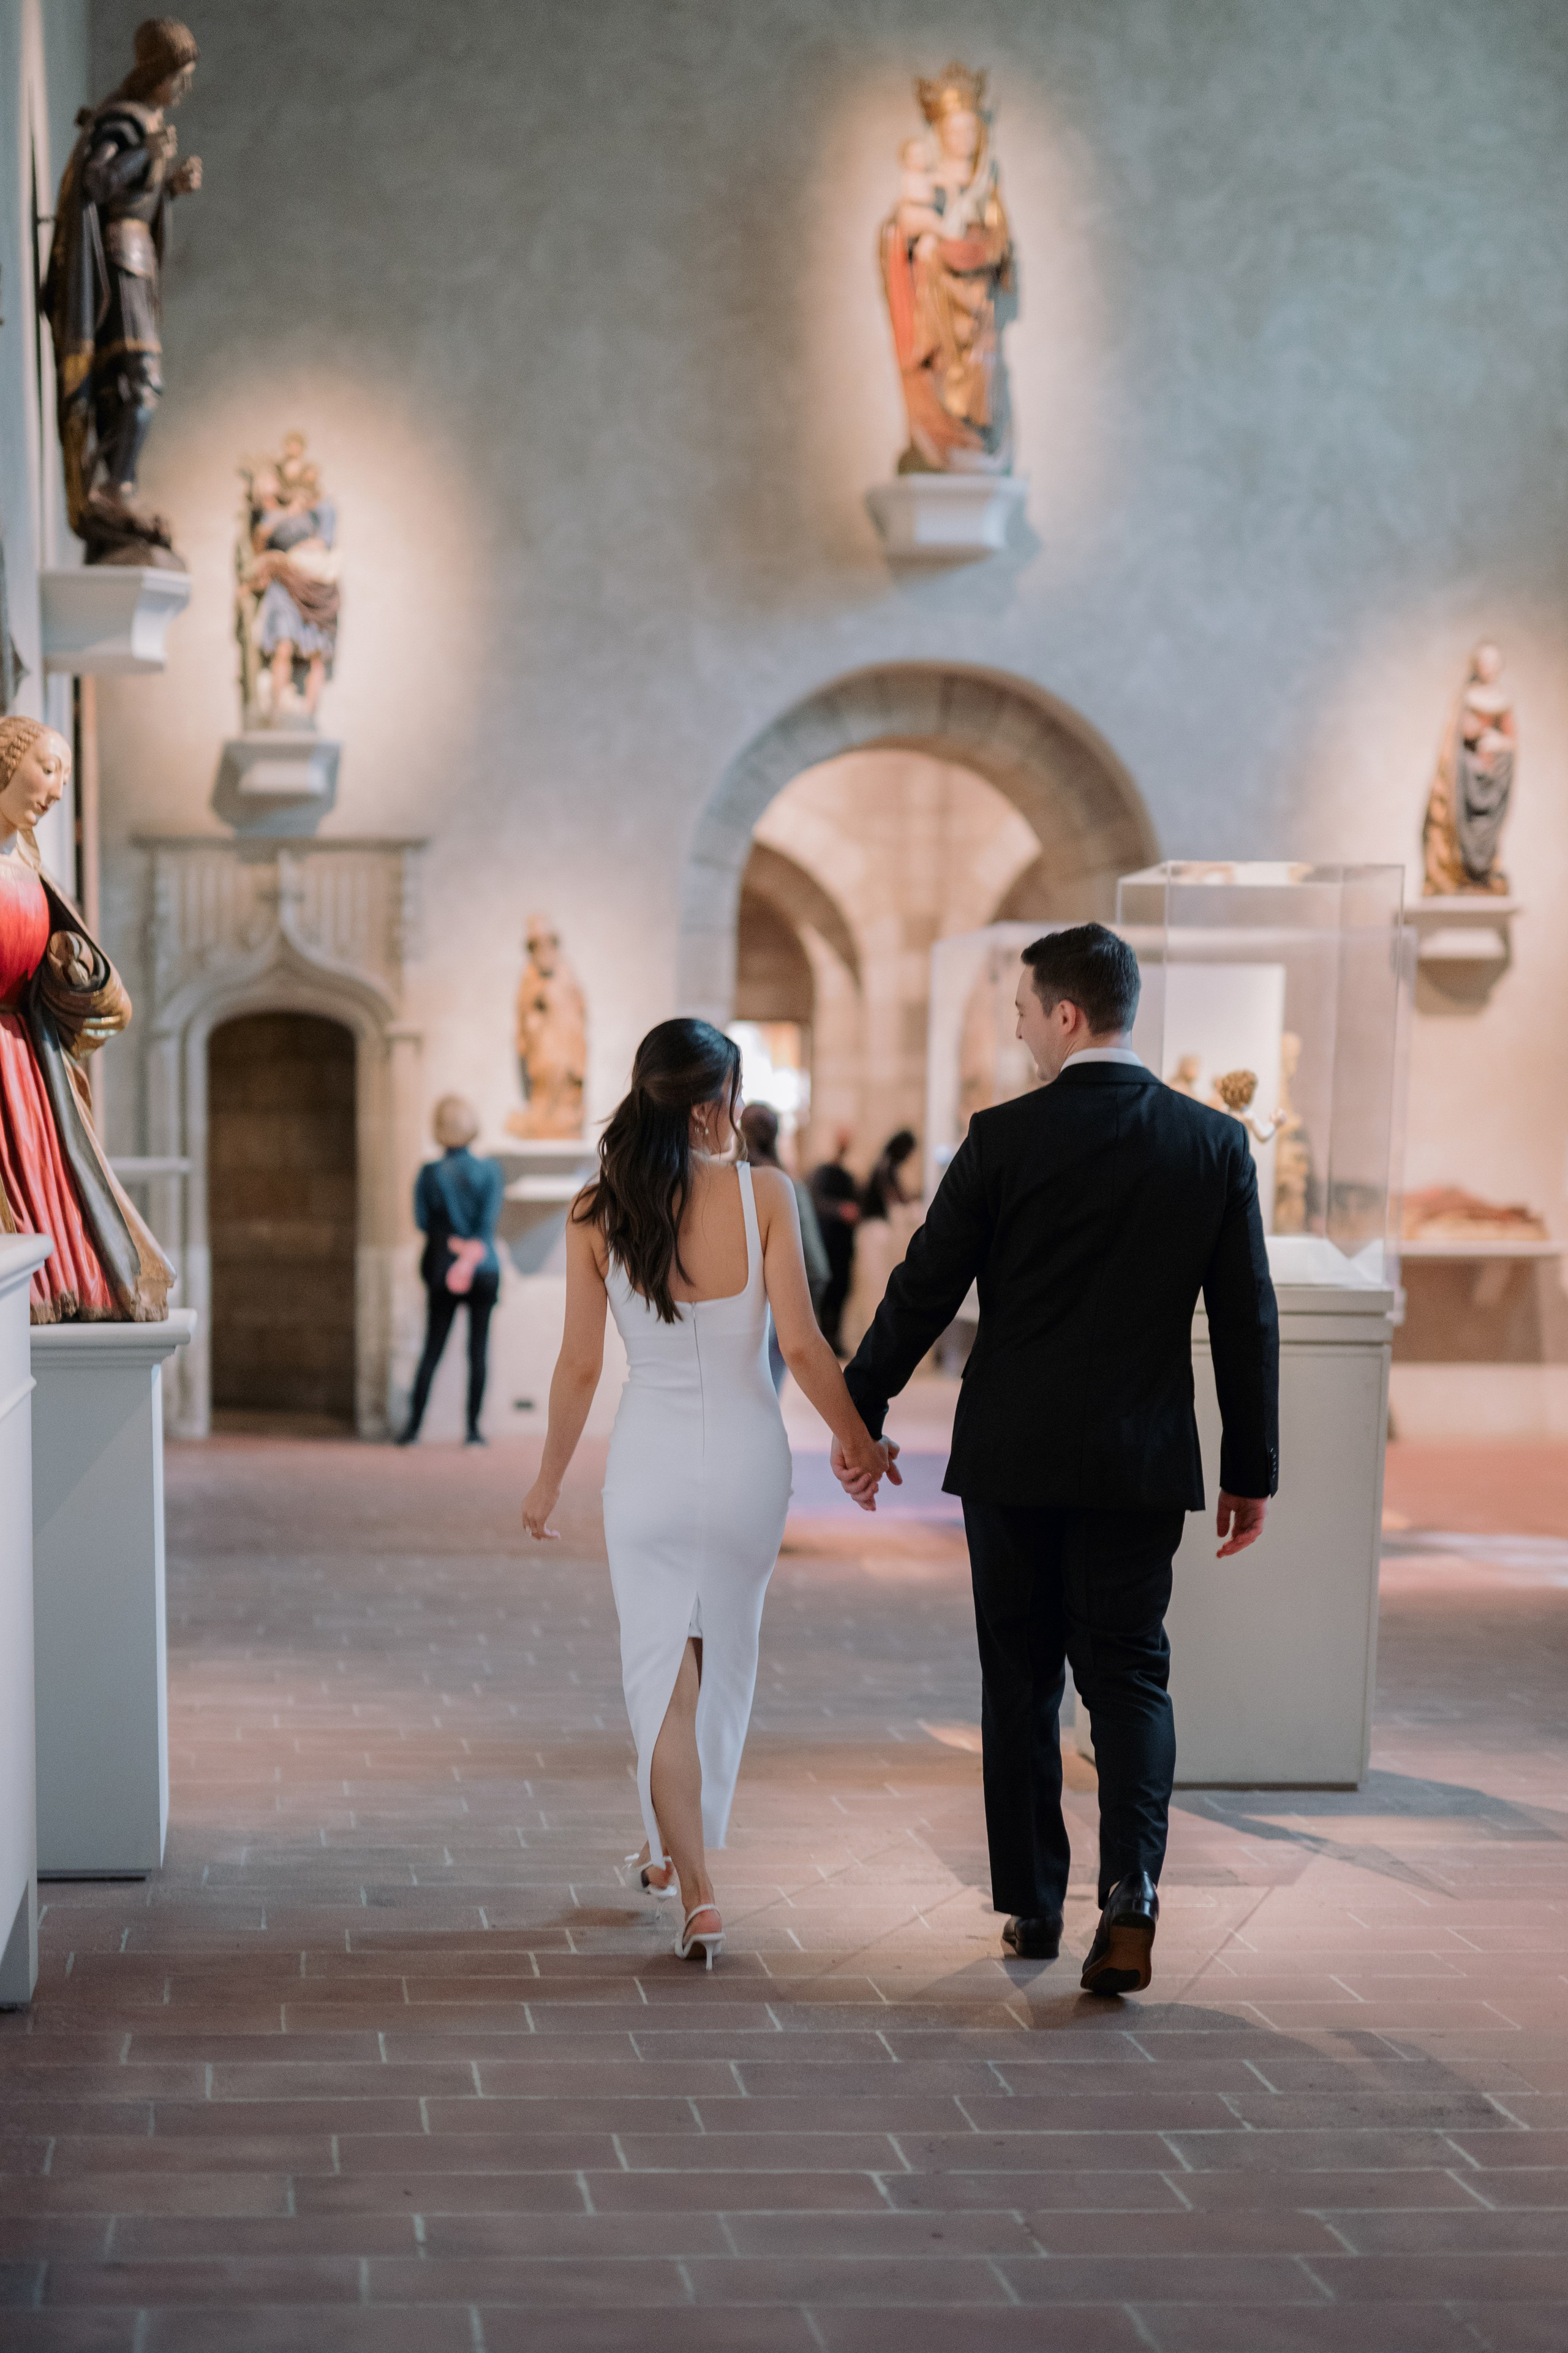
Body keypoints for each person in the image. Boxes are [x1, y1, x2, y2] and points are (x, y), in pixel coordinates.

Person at [834, 924, 1278, 1996]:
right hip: (1140, 1456)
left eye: (1026, 1012)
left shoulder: (1002, 1138)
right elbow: (1247, 1317)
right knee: (1129, 1675)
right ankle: (1132, 1894)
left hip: (1016, 1457)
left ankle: (1034, 1902)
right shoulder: (1213, 1143)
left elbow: (924, 1284)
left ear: (1068, 1015)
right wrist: (1250, 1467)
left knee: (1021, 1675)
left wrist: (862, 1410)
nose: (1021, 1028)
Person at [519, 1019, 892, 1968]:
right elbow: (803, 1348)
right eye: (730, 1091)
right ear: (705, 1104)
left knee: (662, 1680)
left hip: (646, 1470)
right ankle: (672, 1854)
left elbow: (576, 1367)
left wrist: (548, 1480)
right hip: (746, 1464)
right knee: (715, 1664)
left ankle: (696, 1886)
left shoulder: (595, 1212)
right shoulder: (765, 1193)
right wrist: (858, 1445)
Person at [0, 718, 171, 1323]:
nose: (56, 790)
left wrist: (73, 974)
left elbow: (70, 967)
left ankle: (66, 1283)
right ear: (6, 761)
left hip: (28, 1056)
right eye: (48, 769)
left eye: (66, 778)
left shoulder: (30, 865)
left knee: (57, 1176)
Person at [42, 17, 203, 565]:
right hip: (118, 259)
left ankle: (120, 485)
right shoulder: (125, 119)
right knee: (139, 381)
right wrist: (145, 154)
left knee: (137, 383)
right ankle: (115, 488)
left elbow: (137, 198)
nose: (183, 87)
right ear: (156, 73)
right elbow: (97, 182)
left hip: (137, 259)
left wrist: (170, 188)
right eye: (177, 76)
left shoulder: (149, 123)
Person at [398, 1096, 503, 1448]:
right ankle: (473, 1432)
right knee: (478, 1350)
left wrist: (455, 1249)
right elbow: (487, 1223)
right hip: (484, 1267)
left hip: (442, 1266)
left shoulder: (430, 1174)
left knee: (432, 1349)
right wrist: (472, 1253)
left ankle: (413, 1429)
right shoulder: (491, 1171)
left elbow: (422, 1222)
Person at [739, 1103, 830, 1393]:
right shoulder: (788, 1186)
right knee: (766, 1401)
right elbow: (816, 1263)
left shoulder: (722, 1184)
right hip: (778, 1313)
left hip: (729, 1311)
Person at [807, 1129, 860, 1353]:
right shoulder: (821, 1173)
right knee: (825, 1292)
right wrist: (840, 1210)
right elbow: (816, 1204)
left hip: (843, 1244)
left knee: (841, 1291)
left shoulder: (849, 1177)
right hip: (826, 1241)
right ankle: (821, 1338)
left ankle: (834, 1338)